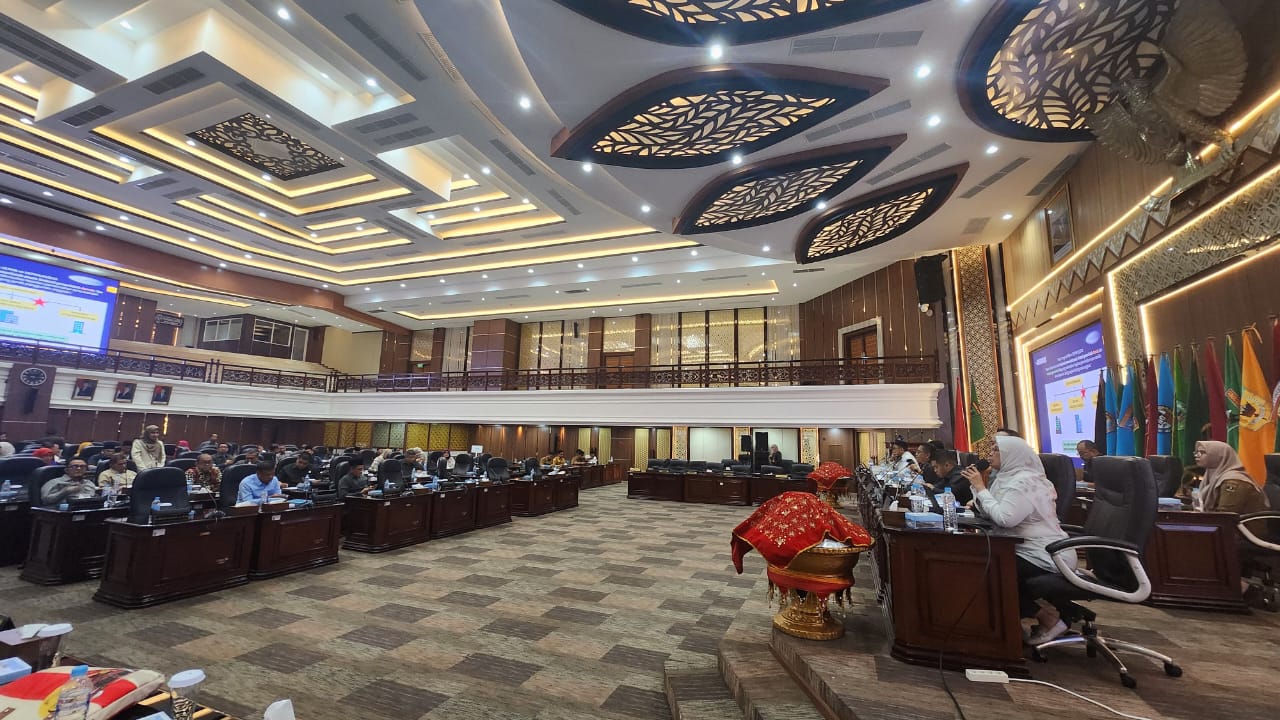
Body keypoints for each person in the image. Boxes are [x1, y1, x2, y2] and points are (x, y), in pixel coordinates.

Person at [962, 434, 1075, 645]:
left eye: (996, 450)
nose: (990, 454)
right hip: (1019, 548)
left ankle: (1048, 619)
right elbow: (991, 512)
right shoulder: (1005, 478)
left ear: (1011, 454)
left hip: (1045, 553)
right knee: (979, 563)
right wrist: (977, 490)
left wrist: (981, 488)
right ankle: (1007, 626)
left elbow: (1005, 519)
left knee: (985, 570)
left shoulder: (1026, 483)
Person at [1193, 440, 1268, 514]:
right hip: (1217, 520)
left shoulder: (1233, 480)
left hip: (1242, 522)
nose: (1197, 455)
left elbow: (1226, 515)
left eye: (1202, 452)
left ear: (1219, 455)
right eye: (1197, 452)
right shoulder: (1210, 475)